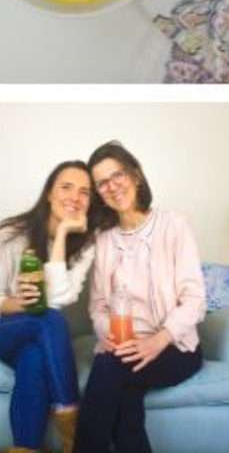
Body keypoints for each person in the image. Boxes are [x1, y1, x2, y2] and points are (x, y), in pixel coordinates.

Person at [75, 142, 206, 453]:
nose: (111, 187)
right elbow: (98, 307)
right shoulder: (103, 240)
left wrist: (157, 341)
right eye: (101, 183)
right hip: (123, 346)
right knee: (126, 414)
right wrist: (106, 333)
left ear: (135, 175)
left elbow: (195, 299)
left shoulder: (173, 225)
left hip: (173, 348)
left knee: (109, 368)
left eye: (117, 175)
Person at [0, 161, 106, 453]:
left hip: (33, 332)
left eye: (84, 192)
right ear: (49, 193)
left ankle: (25, 448)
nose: (75, 197)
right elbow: (48, 312)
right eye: (66, 187)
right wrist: (11, 303)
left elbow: (57, 300)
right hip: (4, 327)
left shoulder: (86, 243)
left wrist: (61, 235)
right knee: (49, 319)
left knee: (34, 357)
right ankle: (74, 428)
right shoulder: (10, 234)